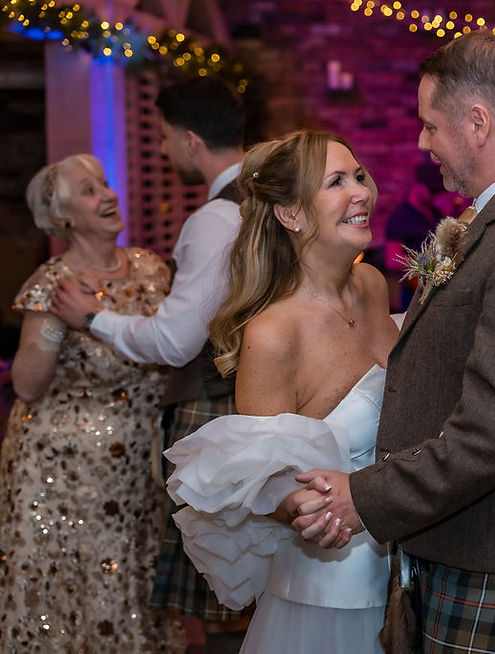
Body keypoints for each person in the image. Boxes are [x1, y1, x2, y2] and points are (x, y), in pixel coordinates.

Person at [290, 31, 495, 652]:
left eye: (429, 126)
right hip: (478, 542)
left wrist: (364, 497)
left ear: (477, 121)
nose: (423, 144)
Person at [162, 129, 398, 653]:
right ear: (290, 215)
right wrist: (298, 505)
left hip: (405, 570)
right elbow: (260, 475)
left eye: (358, 175)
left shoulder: (373, 286)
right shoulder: (274, 333)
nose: (361, 191)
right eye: (335, 182)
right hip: (329, 595)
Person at [49, 78, 251, 653]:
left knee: (224, 598)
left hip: (218, 406)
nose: (161, 150)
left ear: (190, 141)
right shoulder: (274, 197)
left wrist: (94, 318)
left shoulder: (215, 218)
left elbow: (174, 342)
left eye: (163, 138)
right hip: (261, 398)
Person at [0, 155, 183, 651]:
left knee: (135, 577)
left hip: (140, 463)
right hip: (64, 469)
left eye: (104, 183)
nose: (107, 194)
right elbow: (26, 385)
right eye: (88, 190)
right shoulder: (51, 283)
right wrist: (64, 317)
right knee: (75, 586)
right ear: (62, 218)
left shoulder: (151, 267)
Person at [384, 161, 444, 310]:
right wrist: (424, 263)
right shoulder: (401, 217)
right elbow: (392, 259)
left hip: (437, 284)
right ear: (417, 185)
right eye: (431, 189)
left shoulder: (434, 213)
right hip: (414, 289)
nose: (433, 195)